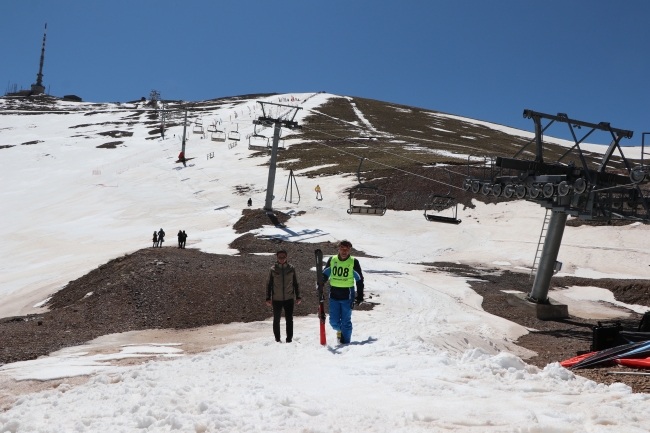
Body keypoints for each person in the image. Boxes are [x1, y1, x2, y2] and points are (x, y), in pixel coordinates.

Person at [322, 240, 364, 344]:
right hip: (334, 295)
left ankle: (346, 345)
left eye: (346, 249)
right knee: (333, 322)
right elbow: (325, 275)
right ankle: (340, 332)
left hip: (347, 295)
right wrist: (320, 282)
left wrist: (360, 295)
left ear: (349, 250)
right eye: (342, 248)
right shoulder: (332, 259)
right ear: (338, 249)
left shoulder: (354, 262)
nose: (344, 251)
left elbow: (359, 279)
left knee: (346, 322)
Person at [265, 250, 301, 343]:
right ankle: (277, 339)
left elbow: (296, 283)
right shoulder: (273, 269)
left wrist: (298, 296)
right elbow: (269, 284)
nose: (282, 259)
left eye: (283, 257)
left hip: (289, 298)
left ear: (286, 257)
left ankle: (289, 339)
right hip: (277, 299)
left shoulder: (291, 268)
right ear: (277, 258)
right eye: (280, 257)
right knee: (276, 319)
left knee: (289, 319)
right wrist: (268, 298)